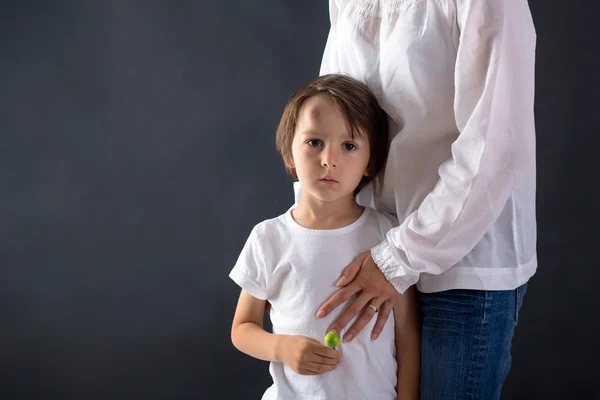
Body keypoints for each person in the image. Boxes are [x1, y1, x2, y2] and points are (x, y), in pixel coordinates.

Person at [305, 1, 537, 399]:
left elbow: (494, 149)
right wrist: (306, 242)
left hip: (461, 266)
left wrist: (396, 259)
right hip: (367, 256)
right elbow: (325, 114)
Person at [230, 74, 420, 400]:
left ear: (368, 164)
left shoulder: (388, 237)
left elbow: (407, 336)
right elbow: (241, 329)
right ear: (289, 153)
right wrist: (283, 347)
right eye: (314, 142)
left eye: (349, 146)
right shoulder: (269, 238)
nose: (329, 160)